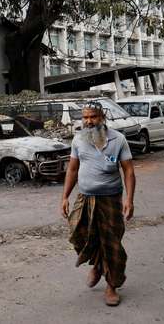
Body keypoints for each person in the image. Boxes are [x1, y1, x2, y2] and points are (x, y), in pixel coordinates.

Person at [60, 103, 136, 306]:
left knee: (111, 243)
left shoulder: (118, 139)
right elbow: (73, 170)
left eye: (92, 117)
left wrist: (129, 200)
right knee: (79, 235)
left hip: (110, 198)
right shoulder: (78, 139)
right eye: (85, 117)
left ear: (102, 117)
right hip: (84, 197)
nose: (88, 121)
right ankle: (97, 264)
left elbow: (128, 171)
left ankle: (111, 286)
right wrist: (65, 196)